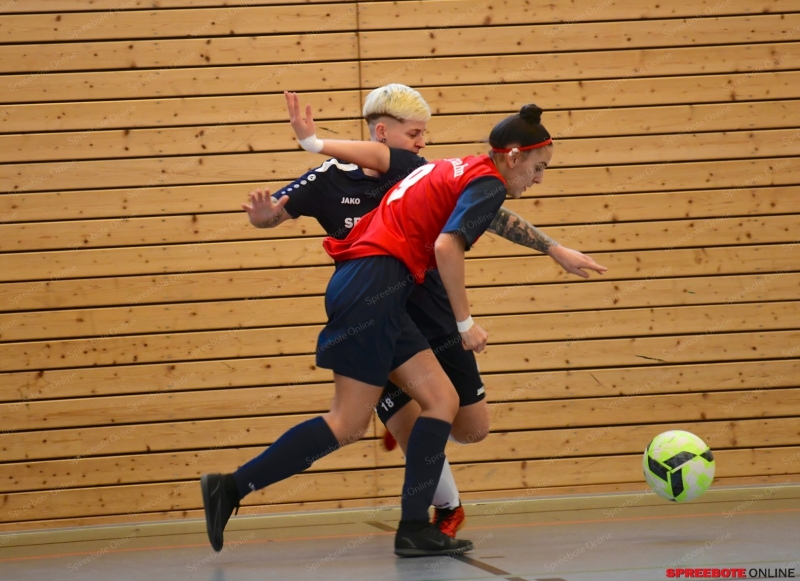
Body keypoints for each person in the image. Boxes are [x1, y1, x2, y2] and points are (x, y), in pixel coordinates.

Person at [200, 90, 602, 557]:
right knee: (347, 422)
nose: (538, 179)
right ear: (513, 156)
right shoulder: (479, 178)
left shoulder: (441, 165)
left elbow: (383, 160)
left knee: (441, 400)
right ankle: (230, 487)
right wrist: (465, 321)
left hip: (379, 289)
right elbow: (446, 246)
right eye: (539, 168)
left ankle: (415, 527)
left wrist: (314, 141)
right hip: (372, 286)